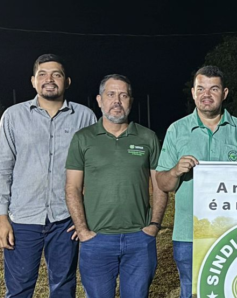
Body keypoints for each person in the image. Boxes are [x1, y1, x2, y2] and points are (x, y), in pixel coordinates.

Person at [0, 53, 96, 297]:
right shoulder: (13, 116)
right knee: (18, 289)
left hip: (65, 221)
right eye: (42, 74)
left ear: (67, 81)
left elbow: (93, 171)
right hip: (23, 219)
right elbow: (2, 168)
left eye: (56, 74)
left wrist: (84, 217)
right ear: (33, 81)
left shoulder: (85, 117)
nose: (49, 79)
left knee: (63, 287)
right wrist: (1, 217)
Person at [155, 66, 237, 298]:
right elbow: (162, 184)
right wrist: (174, 171)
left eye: (214, 89)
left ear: (224, 93)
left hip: (233, 232)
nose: (206, 94)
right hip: (188, 235)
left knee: (234, 290)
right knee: (191, 291)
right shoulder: (177, 130)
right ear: (193, 93)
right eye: (201, 88)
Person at [64, 74, 166, 297]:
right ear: (99, 100)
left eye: (123, 95)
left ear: (131, 100)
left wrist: (154, 225)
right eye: (111, 94)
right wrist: (82, 230)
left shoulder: (147, 138)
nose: (117, 101)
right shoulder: (83, 138)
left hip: (139, 239)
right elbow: (72, 187)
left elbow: (160, 185)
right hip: (97, 240)